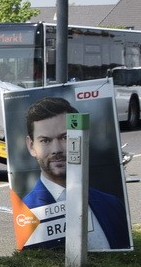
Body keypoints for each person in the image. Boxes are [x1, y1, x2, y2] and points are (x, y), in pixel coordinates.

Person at [22, 96, 130, 249]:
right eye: (45, 141)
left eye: (65, 137)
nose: (56, 150)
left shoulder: (111, 204)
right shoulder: (26, 212)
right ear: (31, 146)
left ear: (81, 136)